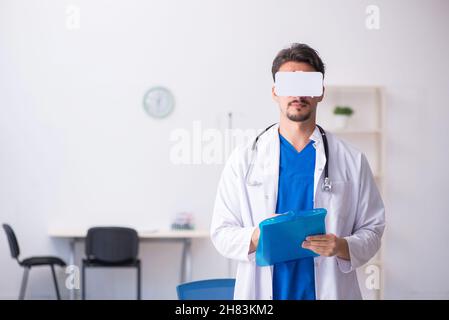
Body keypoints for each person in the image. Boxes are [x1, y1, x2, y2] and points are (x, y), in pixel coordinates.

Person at [210, 43, 385, 300]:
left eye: (307, 86)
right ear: (275, 92)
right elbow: (221, 232)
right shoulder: (244, 159)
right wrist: (257, 236)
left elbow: (373, 229)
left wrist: (341, 246)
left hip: (329, 289)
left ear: (320, 93)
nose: (298, 95)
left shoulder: (352, 160)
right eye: (289, 86)